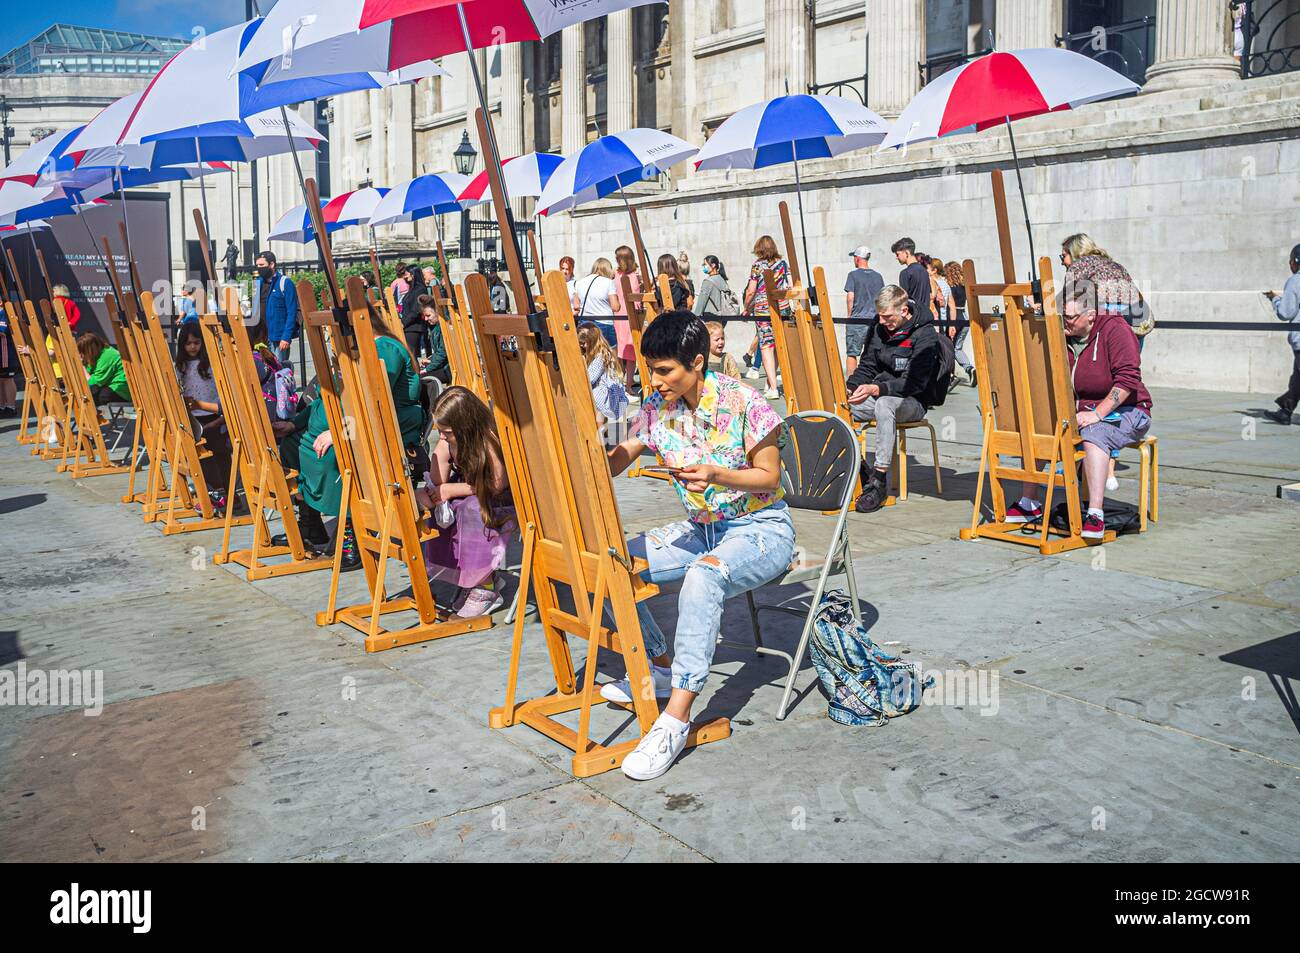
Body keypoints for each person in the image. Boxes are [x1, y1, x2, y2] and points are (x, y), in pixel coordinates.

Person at [605, 311, 795, 780]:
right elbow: (621, 455)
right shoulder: (657, 404)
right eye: (651, 369)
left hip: (760, 528)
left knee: (703, 576)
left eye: (665, 370)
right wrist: (591, 444)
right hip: (703, 528)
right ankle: (663, 667)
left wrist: (717, 473)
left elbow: (769, 476)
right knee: (612, 562)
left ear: (696, 362)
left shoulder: (744, 401)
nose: (656, 379)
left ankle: (676, 719)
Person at [277, 302, 425, 569]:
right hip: (356, 422)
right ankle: (311, 524)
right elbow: (327, 396)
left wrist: (339, 431)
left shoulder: (385, 349)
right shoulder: (354, 351)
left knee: (335, 456)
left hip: (386, 424)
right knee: (291, 444)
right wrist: (296, 423)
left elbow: (374, 399)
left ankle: (352, 531)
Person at [1006, 279, 1153, 540]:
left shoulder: (1116, 330)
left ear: (1091, 315)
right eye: (1063, 316)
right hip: (1081, 409)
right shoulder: (1065, 335)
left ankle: (1095, 513)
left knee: (1095, 432)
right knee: (1038, 423)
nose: (1066, 322)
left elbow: (1127, 381)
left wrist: (1098, 413)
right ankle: (1030, 502)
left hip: (1128, 408)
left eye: (1071, 317)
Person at [415, 386, 516, 618]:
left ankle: (486, 587)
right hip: (469, 488)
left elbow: (497, 484)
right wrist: (436, 490)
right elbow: (440, 459)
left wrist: (449, 489)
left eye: (447, 432)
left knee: (471, 511)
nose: (441, 436)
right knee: (445, 514)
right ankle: (475, 577)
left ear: (466, 427)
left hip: (495, 499)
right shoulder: (449, 439)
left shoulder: (488, 442)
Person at [846, 285, 943, 514]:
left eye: (887, 316)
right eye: (879, 316)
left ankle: (879, 481)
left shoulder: (925, 334)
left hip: (913, 401)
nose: (882, 322)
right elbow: (867, 365)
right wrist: (850, 388)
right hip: (881, 395)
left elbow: (915, 383)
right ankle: (858, 469)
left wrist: (878, 388)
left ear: (904, 310)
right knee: (841, 407)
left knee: (884, 403)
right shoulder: (879, 328)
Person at [1061, 233, 1151, 349]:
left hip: (1112, 321)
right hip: (1138, 318)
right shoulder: (1115, 265)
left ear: (1074, 252)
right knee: (1129, 364)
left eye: (1063, 256)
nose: (1062, 262)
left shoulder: (1078, 265)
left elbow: (1069, 301)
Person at [173, 322, 232, 496]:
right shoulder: (180, 366)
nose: (192, 347)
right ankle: (212, 489)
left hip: (214, 415)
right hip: (193, 418)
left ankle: (228, 492)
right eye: (188, 343)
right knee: (201, 456)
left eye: (196, 343)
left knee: (220, 454)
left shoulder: (212, 363)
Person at [743, 235, 790, 399]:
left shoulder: (757, 265)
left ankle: (773, 388)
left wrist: (746, 307)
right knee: (776, 345)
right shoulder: (782, 263)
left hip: (763, 308)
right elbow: (787, 284)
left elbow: (751, 290)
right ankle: (770, 383)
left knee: (766, 346)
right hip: (782, 307)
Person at [1265, 243, 1300, 425]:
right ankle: (1285, 411)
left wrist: (1276, 300)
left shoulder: (1295, 281)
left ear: (1295, 262)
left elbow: (1286, 313)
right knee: (1297, 376)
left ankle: (1285, 411)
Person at [578, 321, 629, 431]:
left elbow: (590, 378)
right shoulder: (601, 352)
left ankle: (600, 428)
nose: (581, 346)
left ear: (591, 341)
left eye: (583, 343)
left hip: (607, 393)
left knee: (593, 395)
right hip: (607, 390)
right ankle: (602, 428)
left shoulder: (600, 356)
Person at [843, 244, 884, 376]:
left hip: (857, 321)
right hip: (874, 321)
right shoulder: (878, 276)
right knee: (872, 354)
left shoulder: (853, 275)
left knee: (852, 354)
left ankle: (851, 385)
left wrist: (849, 316)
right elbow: (882, 298)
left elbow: (850, 297)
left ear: (857, 258)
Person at [252, 251, 298, 365]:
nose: (259, 268)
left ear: (271, 264)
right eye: (257, 265)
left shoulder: (285, 283)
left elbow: (292, 312)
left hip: (278, 338)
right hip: (261, 337)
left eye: (261, 265)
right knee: (264, 371)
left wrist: (286, 337)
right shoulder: (257, 283)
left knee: (279, 370)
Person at [613, 245, 643, 391]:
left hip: (620, 316)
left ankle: (623, 382)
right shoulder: (631, 276)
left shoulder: (618, 275)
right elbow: (637, 302)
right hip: (626, 315)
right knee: (628, 351)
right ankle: (628, 383)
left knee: (623, 350)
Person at [571, 257, 620, 348]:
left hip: (584, 323)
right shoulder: (608, 282)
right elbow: (615, 307)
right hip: (604, 323)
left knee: (588, 353)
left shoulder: (579, 282)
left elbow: (576, 306)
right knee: (610, 355)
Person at [943, 259, 976, 387]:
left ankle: (950, 376)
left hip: (954, 317)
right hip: (964, 317)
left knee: (949, 348)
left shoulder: (949, 287)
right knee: (957, 347)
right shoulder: (965, 286)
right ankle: (970, 368)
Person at [76, 332, 130, 406]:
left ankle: (93, 416)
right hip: (110, 385)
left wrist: (81, 365)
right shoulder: (99, 353)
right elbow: (90, 373)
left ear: (90, 350)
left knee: (93, 394)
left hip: (121, 390)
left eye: (83, 352)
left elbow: (93, 382)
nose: (82, 355)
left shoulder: (108, 355)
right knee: (85, 391)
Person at [891, 237, 933, 324]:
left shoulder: (905, 273)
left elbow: (903, 299)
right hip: (926, 316)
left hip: (912, 318)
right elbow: (929, 294)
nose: (896, 257)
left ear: (906, 253)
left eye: (897, 254)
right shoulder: (924, 271)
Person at [416, 295, 452, 385]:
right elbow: (440, 352)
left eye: (428, 315)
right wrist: (431, 359)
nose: (426, 319)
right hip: (445, 366)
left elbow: (443, 353)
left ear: (437, 312)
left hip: (448, 369)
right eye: (425, 316)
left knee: (419, 379)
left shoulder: (445, 326)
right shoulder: (435, 327)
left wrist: (427, 370)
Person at [400, 264, 431, 359]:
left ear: (413, 274)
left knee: (412, 356)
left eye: (406, 274)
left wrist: (403, 323)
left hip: (414, 327)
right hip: (409, 326)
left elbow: (416, 310)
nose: (405, 276)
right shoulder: (412, 289)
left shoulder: (420, 289)